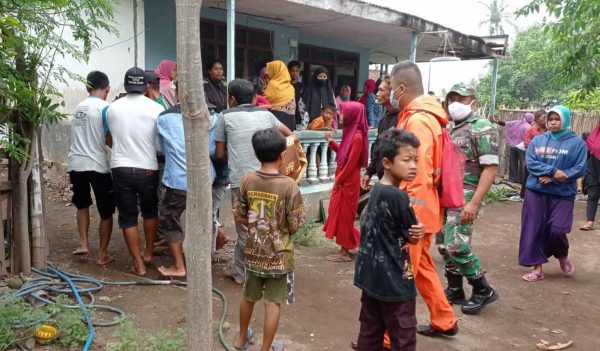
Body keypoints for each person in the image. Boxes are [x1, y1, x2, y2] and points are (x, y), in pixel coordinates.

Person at [390, 61, 458, 337]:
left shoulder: (418, 120)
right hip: (424, 208)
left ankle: (388, 335)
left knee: (400, 273)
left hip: (416, 210)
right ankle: (445, 320)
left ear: (402, 88)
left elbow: (416, 172)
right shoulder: (422, 117)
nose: (390, 93)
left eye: (392, 87)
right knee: (422, 269)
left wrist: (407, 217)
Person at [232, 128, 305, 351]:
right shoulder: (289, 185)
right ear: (283, 155)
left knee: (248, 296)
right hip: (279, 255)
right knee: (273, 302)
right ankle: (266, 349)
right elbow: (295, 224)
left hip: (253, 251)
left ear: (256, 154)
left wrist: (254, 226)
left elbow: (238, 213)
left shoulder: (247, 180)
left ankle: (241, 337)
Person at [352, 129, 425, 351]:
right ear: (386, 162)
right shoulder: (398, 196)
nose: (413, 166)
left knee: (370, 332)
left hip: (370, 276)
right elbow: (411, 237)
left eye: (416, 160)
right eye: (407, 160)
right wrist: (417, 232)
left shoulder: (376, 191)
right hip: (394, 280)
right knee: (403, 336)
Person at [216, 79, 293, 285]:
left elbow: (220, 152)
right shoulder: (266, 115)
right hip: (270, 178)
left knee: (245, 228)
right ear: (253, 98)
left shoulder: (225, 116)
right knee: (268, 224)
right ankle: (268, 269)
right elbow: (289, 135)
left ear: (231, 99)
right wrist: (280, 160)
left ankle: (240, 273)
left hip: (241, 181)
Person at [438, 83, 499, 314]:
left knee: (458, 245)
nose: (455, 103)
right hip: (447, 194)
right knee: (444, 245)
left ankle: (483, 289)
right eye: (451, 98)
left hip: (466, 195)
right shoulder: (450, 129)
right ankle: (455, 289)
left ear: (472, 100)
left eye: (460, 98)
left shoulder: (482, 127)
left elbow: (490, 168)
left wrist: (474, 203)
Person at [104, 67, 165, 276]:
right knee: (149, 210)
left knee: (128, 216)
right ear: (146, 86)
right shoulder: (156, 109)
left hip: (120, 166)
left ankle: (137, 263)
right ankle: (148, 252)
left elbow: (109, 139)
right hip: (148, 167)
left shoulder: (112, 108)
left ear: (126, 85)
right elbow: (159, 145)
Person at [155, 82, 216, 277]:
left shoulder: (164, 118)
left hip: (178, 180)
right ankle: (204, 259)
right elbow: (214, 150)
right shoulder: (214, 116)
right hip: (206, 179)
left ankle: (180, 266)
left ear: (178, 92)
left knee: (169, 219)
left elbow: (159, 149)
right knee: (205, 217)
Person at [519, 105, 587, 282]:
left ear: (564, 120)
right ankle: (537, 269)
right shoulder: (538, 140)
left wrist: (556, 177)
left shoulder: (577, 143)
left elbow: (580, 168)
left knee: (557, 229)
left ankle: (561, 255)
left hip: (562, 193)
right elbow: (530, 162)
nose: (553, 123)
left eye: (557, 119)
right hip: (536, 191)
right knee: (534, 229)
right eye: (550, 119)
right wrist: (551, 171)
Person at [67, 71, 115, 265]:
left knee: (82, 204)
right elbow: (110, 139)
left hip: (76, 164)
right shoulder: (106, 108)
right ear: (107, 89)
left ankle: (84, 244)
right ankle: (102, 255)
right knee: (106, 212)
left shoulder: (78, 107)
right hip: (97, 165)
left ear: (88, 87)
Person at [322, 101, 368, 262]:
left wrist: (339, 181)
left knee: (345, 216)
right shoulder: (351, 132)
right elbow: (344, 153)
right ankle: (357, 243)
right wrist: (331, 143)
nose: (339, 115)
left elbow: (351, 164)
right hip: (343, 179)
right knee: (338, 213)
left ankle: (345, 252)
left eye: (342, 112)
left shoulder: (357, 137)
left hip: (348, 181)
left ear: (352, 115)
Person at [361, 75, 399, 187]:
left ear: (392, 93)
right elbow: (378, 147)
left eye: (381, 90)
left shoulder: (401, 119)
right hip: (383, 178)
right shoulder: (384, 118)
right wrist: (369, 171)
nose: (377, 94)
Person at [497, 113, 534, 183]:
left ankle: (513, 179)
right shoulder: (529, 127)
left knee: (513, 163)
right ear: (530, 119)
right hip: (523, 147)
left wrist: (496, 121)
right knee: (523, 163)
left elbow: (505, 123)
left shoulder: (517, 123)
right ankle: (522, 180)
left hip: (513, 146)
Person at [521, 109, 548, 199]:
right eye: (543, 118)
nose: (546, 120)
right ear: (536, 119)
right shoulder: (530, 130)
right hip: (532, 159)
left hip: (546, 160)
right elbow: (527, 145)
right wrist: (541, 151)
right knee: (528, 178)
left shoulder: (548, 131)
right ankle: (524, 196)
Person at [264, 60, 297, 131]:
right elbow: (294, 106)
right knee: (287, 141)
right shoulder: (291, 87)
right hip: (291, 119)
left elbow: (264, 99)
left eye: (270, 70)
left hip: (277, 118)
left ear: (275, 70)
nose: (269, 73)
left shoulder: (272, 84)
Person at [581, 123, 600, 231]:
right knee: (592, 196)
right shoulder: (593, 137)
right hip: (593, 170)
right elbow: (586, 154)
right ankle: (590, 222)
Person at [287, 60, 304, 128]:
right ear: (288, 71)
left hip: (299, 117)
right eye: (292, 71)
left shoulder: (303, 87)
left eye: (297, 71)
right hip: (288, 114)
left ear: (299, 72)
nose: (294, 73)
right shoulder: (286, 86)